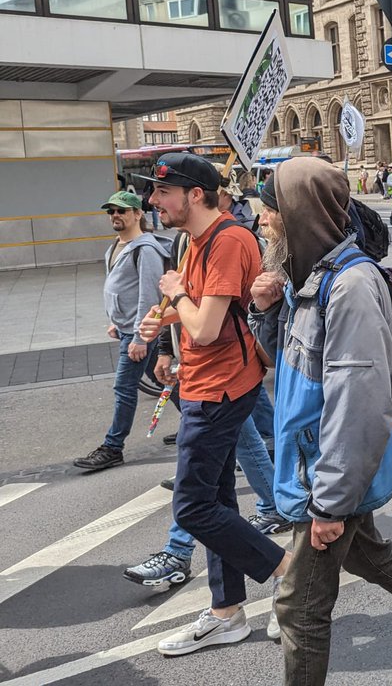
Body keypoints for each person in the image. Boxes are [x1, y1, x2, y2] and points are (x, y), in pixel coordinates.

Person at [247, 158, 392, 683]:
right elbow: (281, 368)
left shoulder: (351, 286)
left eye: (271, 211)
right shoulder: (306, 278)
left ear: (300, 214)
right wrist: (264, 309)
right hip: (319, 465)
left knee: (298, 608)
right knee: (367, 555)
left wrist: (331, 500)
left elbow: (360, 403)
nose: (263, 221)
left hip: (327, 473)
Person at [135, 153, 291, 654]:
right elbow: (198, 312)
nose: (153, 201)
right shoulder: (196, 240)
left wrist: (176, 296)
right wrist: (163, 322)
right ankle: (227, 612)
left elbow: (203, 325)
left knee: (193, 506)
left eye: (162, 193)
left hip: (219, 387)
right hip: (209, 382)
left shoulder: (226, 240)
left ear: (193, 195)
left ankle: (293, 578)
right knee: (219, 501)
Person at [74, 191, 169, 472]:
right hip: (128, 327)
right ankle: (194, 423)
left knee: (124, 388)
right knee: (165, 380)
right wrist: (117, 320)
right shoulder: (117, 245)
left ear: (137, 214)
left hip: (139, 331)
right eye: (111, 211)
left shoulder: (145, 249)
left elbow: (149, 297)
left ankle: (113, 447)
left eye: (122, 211)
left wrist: (140, 337)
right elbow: (122, 288)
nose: (115, 216)